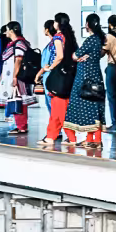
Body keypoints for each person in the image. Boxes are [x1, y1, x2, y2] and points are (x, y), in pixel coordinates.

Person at [63, 14, 107, 149]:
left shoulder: (90, 40)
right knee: (95, 106)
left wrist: (77, 56)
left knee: (85, 106)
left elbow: (75, 55)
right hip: (95, 76)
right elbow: (101, 53)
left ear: (88, 24)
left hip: (85, 78)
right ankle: (93, 139)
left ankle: (92, 140)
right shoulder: (100, 39)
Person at [36, 14, 79, 145]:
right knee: (61, 108)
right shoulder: (70, 36)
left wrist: (50, 68)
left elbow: (59, 56)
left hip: (59, 75)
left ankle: (64, 137)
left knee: (58, 108)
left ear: (58, 23)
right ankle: (57, 136)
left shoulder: (58, 37)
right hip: (69, 75)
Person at [0, 22, 34, 134]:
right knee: (15, 100)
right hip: (12, 76)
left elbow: (18, 60)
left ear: (12, 31)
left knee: (19, 100)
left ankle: (21, 126)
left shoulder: (19, 44)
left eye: (7, 30)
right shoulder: (15, 43)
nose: (5, 32)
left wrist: (14, 77)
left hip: (17, 77)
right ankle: (20, 125)